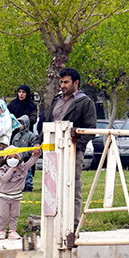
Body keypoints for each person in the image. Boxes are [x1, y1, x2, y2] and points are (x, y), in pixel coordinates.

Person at [49, 67, 97, 235]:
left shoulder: (85, 102)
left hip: (73, 151)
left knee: (73, 186)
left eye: (66, 82)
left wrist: (77, 144)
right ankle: (55, 222)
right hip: (53, 151)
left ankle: (73, 226)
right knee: (53, 186)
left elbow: (91, 128)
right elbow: (49, 122)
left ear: (76, 83)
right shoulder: (56, 100)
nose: (62, 85)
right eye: (61, 82)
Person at [0, 153, 40, 240]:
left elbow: (32, 161)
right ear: (6, 159)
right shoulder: (3, 169)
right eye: (10, 157)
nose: (13, 159)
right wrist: (12, 169)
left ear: (19, 158)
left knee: (14, 215)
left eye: (15, 157)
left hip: (16, 196)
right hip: (4, 196)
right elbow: (4, 179)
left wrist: (36, 153)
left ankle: (12, 231)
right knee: (3, 215)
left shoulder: (23, 168)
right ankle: (2, 231)